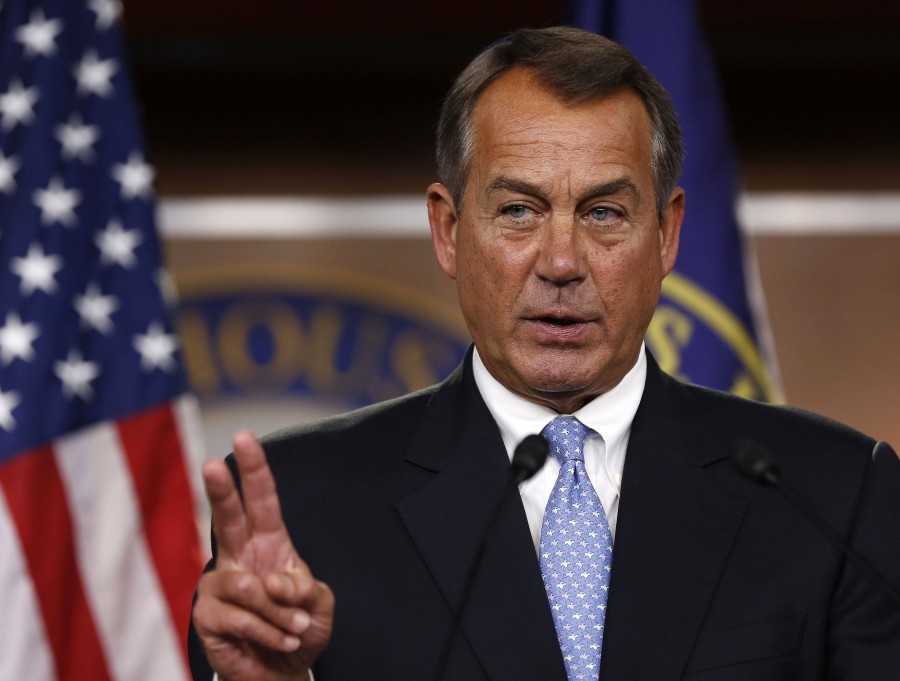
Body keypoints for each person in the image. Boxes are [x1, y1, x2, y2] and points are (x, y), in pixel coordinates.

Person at [188, 27, 900, 681]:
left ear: (667, 234)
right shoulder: (305, 504)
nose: (561, 261)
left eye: (603, 212)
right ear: (448, 230)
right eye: (518, 211)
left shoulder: (833, 497)